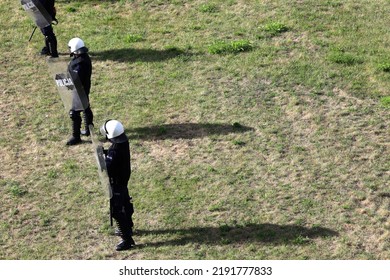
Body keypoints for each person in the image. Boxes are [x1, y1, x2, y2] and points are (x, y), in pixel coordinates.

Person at [100, 120, 135, 251]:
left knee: (117, 211)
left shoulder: (114, 151)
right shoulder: (123, 143)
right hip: (123, 180)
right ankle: (129, 226)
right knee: (126, 202)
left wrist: (104, 159)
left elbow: (108, 168)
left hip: (116, 183)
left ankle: (127, 239)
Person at [66, 37, 94, 145]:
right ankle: (88, 129)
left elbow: (76, 78)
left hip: (78, 90)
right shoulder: (83, 58)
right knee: (86, 108)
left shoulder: (81, 63)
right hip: (82, 89)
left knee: (75, 112)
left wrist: (64, 80)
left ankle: (76, 136)